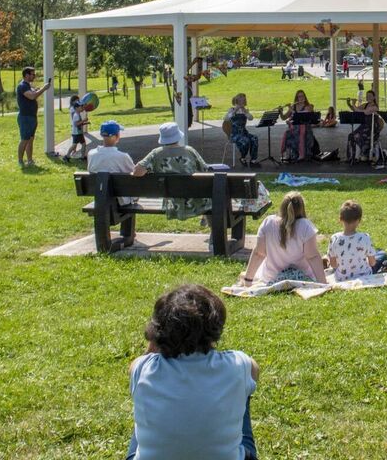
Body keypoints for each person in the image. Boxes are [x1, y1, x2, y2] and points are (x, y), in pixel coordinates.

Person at [126, 284, 259, 460]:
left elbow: (137, 365)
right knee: (243, 387)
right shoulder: (239, 365)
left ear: (158, 331)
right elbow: (254, 370)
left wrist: (154, 342)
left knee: (143, 407)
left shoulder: (142, 368)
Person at [240, 192, 327, 284]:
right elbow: (312, 256)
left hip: (271, 279)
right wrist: (323, 282)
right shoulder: (306, 226)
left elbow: (259, 253)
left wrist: (248, 279)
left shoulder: (268, 222)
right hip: (302, 278)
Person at [133, 123, 209, 178]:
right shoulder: (190, 151)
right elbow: (205, 170)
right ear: (178, 136)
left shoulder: (156, 154)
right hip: (192, 194)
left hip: (167, 195)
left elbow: (137, 172)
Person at [327, 200, 377, 282]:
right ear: (359, 220)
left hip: (342, 278)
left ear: (340, 219)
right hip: (365, 276)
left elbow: (333, 264)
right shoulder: (365, 237)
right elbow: (372, 263)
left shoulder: (334, 238)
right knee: (381, 254)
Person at [16, 66, 52, 169]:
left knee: (30, 139)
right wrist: (44, 89)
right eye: (33, 74)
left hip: (31, 117)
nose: (34, 76)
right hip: (25, 117)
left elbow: (32, 93)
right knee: (24, 139)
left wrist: (37, 90)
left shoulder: (28, 86)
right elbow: (32, 96)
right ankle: (20, 161)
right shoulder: (22, 86)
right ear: (26, 75)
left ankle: (30, 160)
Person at [280, 90, 319, 162]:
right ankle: (287, 154)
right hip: (294, 129)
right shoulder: (293, 106)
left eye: (302, 96)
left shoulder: (308, 106)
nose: (301, 98)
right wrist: (280, 112)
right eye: (299, 96)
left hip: (305, 128)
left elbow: (299, 116)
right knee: (286, 133)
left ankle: (302, 154)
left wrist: (291, 110)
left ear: (305, 97)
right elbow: (284, 118)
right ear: (296, 98)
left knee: (301, 130)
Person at [223, 94, 261, 168]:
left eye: (243, 100)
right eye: (241, 100)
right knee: (245, 141)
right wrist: (235, 110)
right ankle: (243, 157)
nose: (242, 102)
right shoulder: (231, 109)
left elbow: (251, 118)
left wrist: (245, 112)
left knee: (254, 138)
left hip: (244, 132)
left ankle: (253, 159)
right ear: (237, 101)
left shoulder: (245, 110)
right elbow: (226, 119)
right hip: (234, 134)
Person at [65, 95, 90, 163]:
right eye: (81, 107)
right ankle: (67, 156)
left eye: (82, 107)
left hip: (79, 132)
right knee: (74, 145)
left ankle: (82, 157)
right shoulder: (76, 115)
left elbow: (79, 124)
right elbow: (76, 124)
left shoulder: (78, 114)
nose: (82, 108)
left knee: (84, 144)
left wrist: (85, 123)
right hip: (76, 133)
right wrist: (84, 120)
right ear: (76, 108)